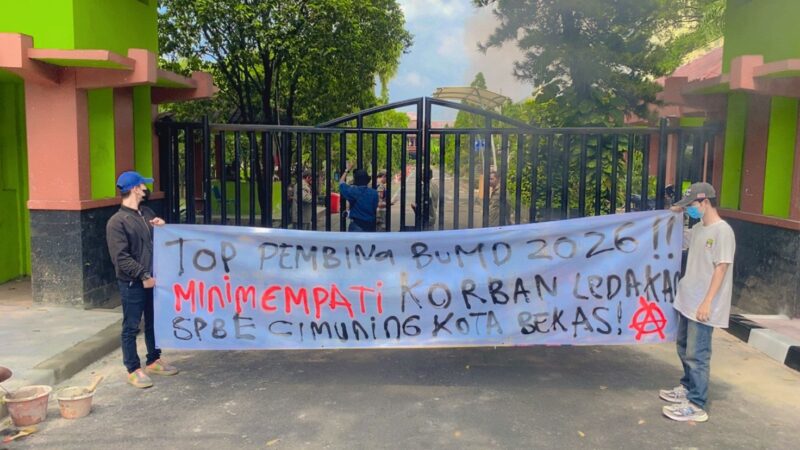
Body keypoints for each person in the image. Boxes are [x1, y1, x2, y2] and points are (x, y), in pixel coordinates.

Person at [659, 181, 735, 423]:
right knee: (684, 348)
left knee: (697, 354)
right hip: (687, 300)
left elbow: (721, 268)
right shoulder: (700, 228)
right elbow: (675, 239)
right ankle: (687, 386)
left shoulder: (723, 231)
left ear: (705, 202)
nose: (690, 209)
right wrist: (675, 215)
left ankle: (696, 403)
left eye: (691, 205)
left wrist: (707, 302)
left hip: (703, 305)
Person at [106, 171, 179, 389]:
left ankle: (154, 359)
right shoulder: (117, 222)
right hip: (133, 283)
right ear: (135, 189)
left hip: (152, 280)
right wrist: (143, 275)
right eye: (143, 186)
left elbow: (156, 244)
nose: (146, 189)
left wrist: (162, 228)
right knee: (131, 325)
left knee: (153, 321)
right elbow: (120, 258)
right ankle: (133, 368)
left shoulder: (146, 213)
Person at [339, 163, 378, 232]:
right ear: (367, 180)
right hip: (370, 225)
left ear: (355, 180)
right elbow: (374, 207)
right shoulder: (374, 193)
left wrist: (347, 170)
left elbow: (341, 183)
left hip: (356, 225)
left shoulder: (352, 191)